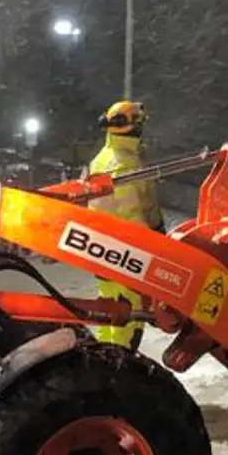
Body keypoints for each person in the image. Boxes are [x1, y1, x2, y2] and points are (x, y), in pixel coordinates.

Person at [84, 100, 159, 347]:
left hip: (100, 250)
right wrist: (155, 245)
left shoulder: (101, 159)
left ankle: (104, 357)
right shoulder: (126, 163)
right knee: (130, 314)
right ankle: (121, 359)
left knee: (109, 309)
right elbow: (131, 215)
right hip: (125, 253)